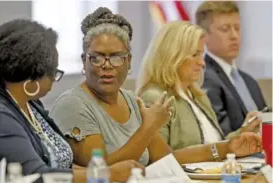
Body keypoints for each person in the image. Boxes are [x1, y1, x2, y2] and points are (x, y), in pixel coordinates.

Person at [50, 7, 262, 168]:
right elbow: (102, 172)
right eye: (96, 58)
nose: (106, 66)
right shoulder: (73, 104)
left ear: (129, 62)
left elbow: (167, 159)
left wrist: (227, 147)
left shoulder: (131, 100)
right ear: (83, 61)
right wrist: (149, 127)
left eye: (116, 57)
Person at [0, 19, 144, 183]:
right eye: (54, 72)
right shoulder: (3, 117)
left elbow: (63, 165)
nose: (54, 80)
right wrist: (109, 174)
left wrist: (105, 172)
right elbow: (35, 175)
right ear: (33, 73)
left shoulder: (31, 105)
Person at [135, 20, 262, 150]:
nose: (202, 63)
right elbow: (159, 158)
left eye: (202, 54)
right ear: (172, 56)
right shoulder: (156, 98)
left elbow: (215, 146)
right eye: (195, 55)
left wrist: (244, 131)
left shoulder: (199, 96)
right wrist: (222, 150)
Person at [195, 1, 267, 135]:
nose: (234, 36)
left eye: (237, 28)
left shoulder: (249, 81)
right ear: (205, 36)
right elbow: (221, 136)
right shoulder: (204, 77)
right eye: (225, 29)